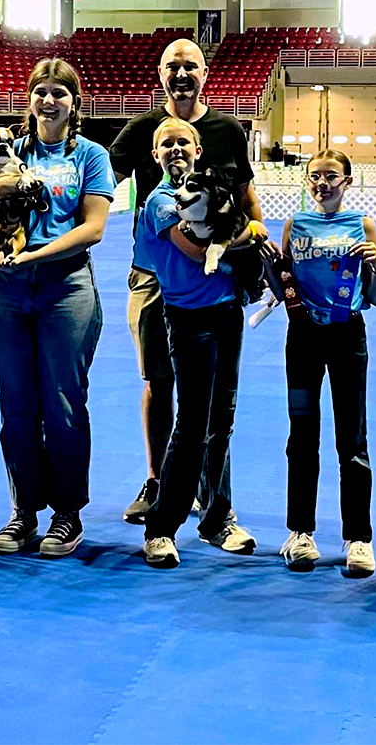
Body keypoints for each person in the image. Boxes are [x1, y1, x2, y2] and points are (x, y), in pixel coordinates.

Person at [108, 37, 264, 526]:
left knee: (217, 396)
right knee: (159, 380)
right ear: (159, 74)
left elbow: (246, 198)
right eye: (172, 66)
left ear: (204, 74)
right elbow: (92, 183)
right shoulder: (139, 131)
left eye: (190, 65)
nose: (181, 73)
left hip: (216, 277)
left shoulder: (226, 130)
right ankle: (158, 482)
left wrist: (258, 262)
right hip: (154, 277)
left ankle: (210, 494)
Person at [0, 58, 115, 559]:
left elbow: (93, 227)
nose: (48, 100)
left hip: (65, 285)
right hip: (6, 286)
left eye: (59, 92)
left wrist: (37, 253)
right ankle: (23, 512)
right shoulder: (7, 152)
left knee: (62, 403)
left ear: (74, 102)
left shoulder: (91, 156)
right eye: (40, 91)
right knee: (15, 405)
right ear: (28, 98)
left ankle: (67, 513)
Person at [140, 117, 262, 568]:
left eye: (183, 143)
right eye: (166, 144)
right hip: (188, 318)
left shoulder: (210, 192)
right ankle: (161, 527)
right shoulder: (158, 201)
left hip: (227, 311)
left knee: (222, 420)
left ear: (197, 151)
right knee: (192, 425)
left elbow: (236, 224)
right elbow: (197, 247)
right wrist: (246, 233)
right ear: (155, 156)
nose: (175, 149)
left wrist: (242, 232)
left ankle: (216, 519)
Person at [276, 150, 376, 574]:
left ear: (348, 181)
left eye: (331, 176)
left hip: (347, 336)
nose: (322, 183)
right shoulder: (293, 225)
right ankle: (300, 532)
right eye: (315, 176)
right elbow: (283, 282)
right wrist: (270, 265)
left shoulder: (363, 225)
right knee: (301, 434)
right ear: (307, 181)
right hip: (302, 338)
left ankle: (358, 538)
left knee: (352, 439)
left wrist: (375, 268)